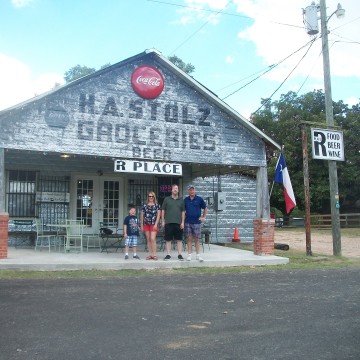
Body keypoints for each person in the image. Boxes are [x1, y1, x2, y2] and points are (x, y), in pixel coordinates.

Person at [161, 184, 185, 261]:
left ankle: (180, 254)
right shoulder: (166, 199)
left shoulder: (181, 200)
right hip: (168, 222)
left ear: (178, 190)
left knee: (179, 240)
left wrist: (183, 222)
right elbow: (163, 210)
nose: (175, 189)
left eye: (176, 188)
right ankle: (168, 254)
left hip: (178, 223)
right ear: (171, 190)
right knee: (168, 239)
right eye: (174, 188)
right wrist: (163, 221)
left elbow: (183, 212)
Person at [184, 185, 207, 262]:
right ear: (188, 191)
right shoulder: (186, 200)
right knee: (189, 238)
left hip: (197, 222)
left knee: (197, 239)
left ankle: (198, 255)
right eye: (190, 190)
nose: (192, 191)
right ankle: (189, 255)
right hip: (188, 221)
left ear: (195, 190)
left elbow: (205, 208)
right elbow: (183, 211)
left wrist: (203, 217)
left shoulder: (199, 199)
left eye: (193, 190)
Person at [140, 191, 161, 261]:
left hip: (153, 224)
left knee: (152, 238)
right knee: (148, 239)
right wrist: (142, 225)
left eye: (152, 196)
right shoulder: (145, 206)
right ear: (148, 197)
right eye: (149, 196)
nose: (151, 198)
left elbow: (158, 215)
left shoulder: (157, 205)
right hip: (146, 224)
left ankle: (154, 254)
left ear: (154, 197)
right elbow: (142, 216)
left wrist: (156, 224)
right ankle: (150, 254)